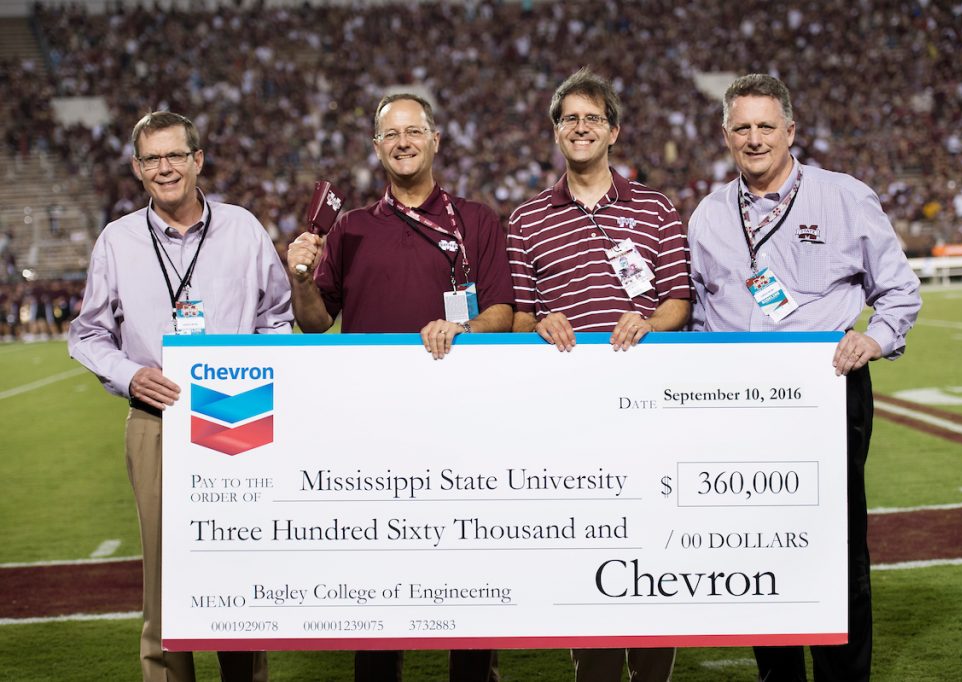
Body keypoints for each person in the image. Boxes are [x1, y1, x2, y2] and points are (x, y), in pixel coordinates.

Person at [687, 74, 922, 682]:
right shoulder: (708, 215)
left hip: (827, 392)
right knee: (759, 548)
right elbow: (699, 314)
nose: (755, 138)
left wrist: (874, 338)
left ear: (791, 130)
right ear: (725, 136)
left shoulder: (844, 196)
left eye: (767, 126)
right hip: (741, 404)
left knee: (836, 549)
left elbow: (898, 290)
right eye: (742, 127)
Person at [287, 93, 512, 681]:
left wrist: (460, 327)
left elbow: (504, 313)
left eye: (415, 131)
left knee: (465, 576)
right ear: (376, 148)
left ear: (436, 140)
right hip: (375, 431)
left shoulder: (480, 220)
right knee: (380, 581)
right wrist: (301, 277)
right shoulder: (351, 228)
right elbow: (313, 322)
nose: (404, 142)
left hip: (462, 426)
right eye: (391, 134)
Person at [68, 111, 291, 682]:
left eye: (175, 155)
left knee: (237, 571)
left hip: (237, 415)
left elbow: (277, 319)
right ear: (138, 169)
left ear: (198, 159)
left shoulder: (242, 228)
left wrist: (259, 372)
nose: (165, 168)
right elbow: (88, 333)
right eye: (151, 159)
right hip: (158, 416)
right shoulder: (117, 240)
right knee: (166, 580)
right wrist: (129, 374)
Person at [507, 67, 690, 682]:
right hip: (570, 417)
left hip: (649, 412)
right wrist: (538, 325)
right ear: (556, 132)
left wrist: (649, 321)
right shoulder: (525, 220)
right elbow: (519, 317)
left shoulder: (658, 208)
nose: (580, 128)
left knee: (653, 547)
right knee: (586, 550)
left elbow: (678, 301)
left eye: (592, 118)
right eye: (568, 119)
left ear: (613, 130)